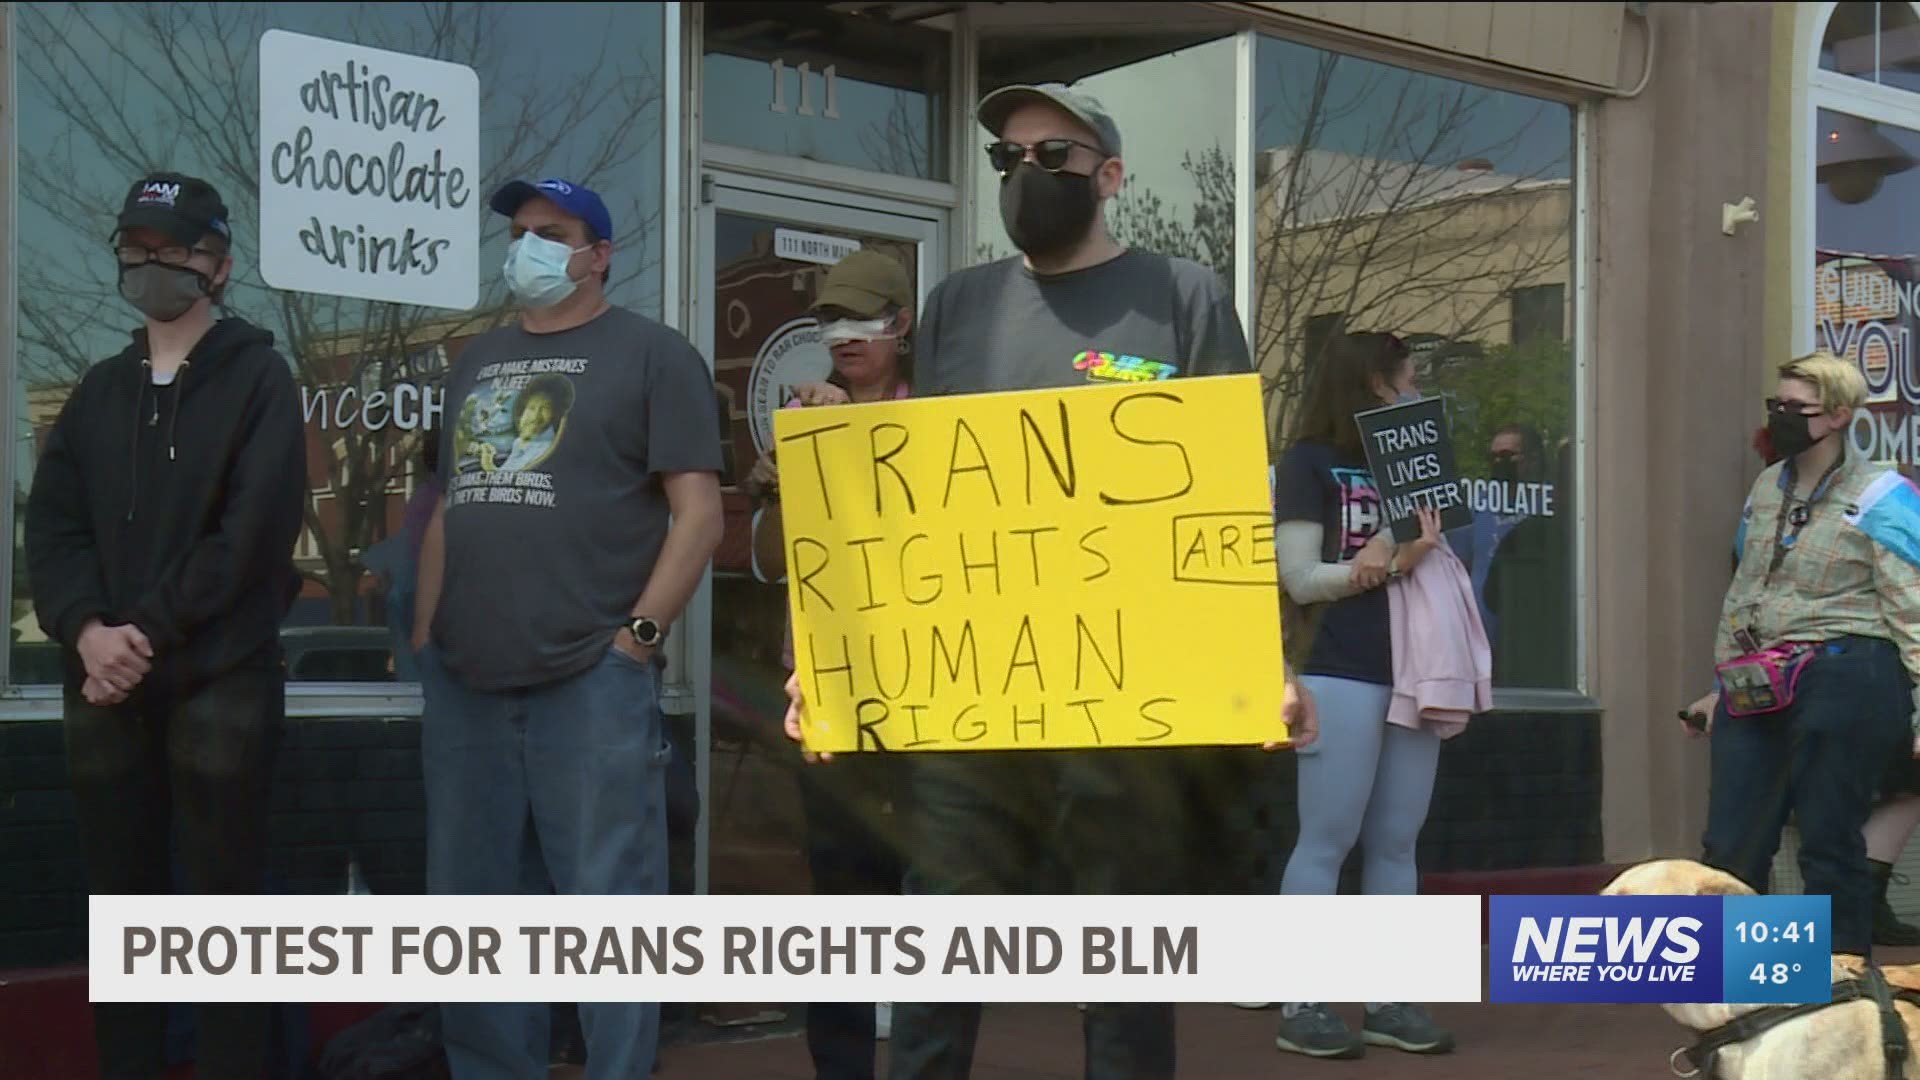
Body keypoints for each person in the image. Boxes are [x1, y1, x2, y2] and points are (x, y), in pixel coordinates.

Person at [778, 82, 1318, 1080]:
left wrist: (1264, 665)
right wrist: (836, 667)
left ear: (1109, 175)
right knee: (940, 964)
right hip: (969, 709)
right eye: (1007, 159)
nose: (1026, 175)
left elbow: (1225, 505)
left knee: (1120, 982)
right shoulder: (958, 310)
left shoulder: (1183, 299)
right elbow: (915, 516)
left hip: (1128, 714)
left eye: (1053, 157)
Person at [412, 176, 725, 1079]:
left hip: (589, 681)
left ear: (599, 256)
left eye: (551, 233)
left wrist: (637, 643)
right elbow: (447, 510)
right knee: (474, 918)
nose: (528, 248)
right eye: (518, 232)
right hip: (467, 682)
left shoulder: (653, 355)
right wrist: (429, 636)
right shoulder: (476, 359)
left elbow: (698, 515)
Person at [25, 170, 306, 1078]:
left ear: (217, 267)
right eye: (135, 248)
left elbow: (252, 536)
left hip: (220, 682)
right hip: (105, 685)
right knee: (126, 920)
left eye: (173, 250)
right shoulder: (98, 393)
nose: (150, 265)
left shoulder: (261, 378)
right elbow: (52, 525)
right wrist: (84, 631)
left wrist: (136, 634)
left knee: (225, 922)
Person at [1683, 351, 1920, 961]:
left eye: (1797, 408)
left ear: (1839, 417)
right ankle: (1744, 986)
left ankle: (1838, 987)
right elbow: (1747, 589)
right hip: (1763, 680)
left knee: (1827, 836)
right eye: (1776, 405)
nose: (1781, 417)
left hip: (1848, 671)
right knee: (1733, 840)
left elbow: (1912, 609)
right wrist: (1722, 685)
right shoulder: (1768, 486)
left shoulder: (1883, 496)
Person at [747, 247, 916, 1080]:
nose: (843, 337)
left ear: (902, 325)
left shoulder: (946, 420)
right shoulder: (805, 422)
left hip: (935, 684)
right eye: (829, 323)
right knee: (843, 893)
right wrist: (793, 466)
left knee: (931, 892)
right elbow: (776, 561)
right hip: (830, 687)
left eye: (862, 319)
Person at [1268, 331, 1457, 1060]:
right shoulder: (1310, 461)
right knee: (1327, 838)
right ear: (1375, 382)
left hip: (1415, 662)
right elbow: (1298, 576)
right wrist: (1376, 562)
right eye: (1406, 376)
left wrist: (1414, 548)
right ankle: (1303, 1000)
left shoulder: (1416, 458)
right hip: (1337, 664)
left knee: (1396, 840)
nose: (1413, 389)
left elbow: (1448, 553)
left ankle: (1389, 997)